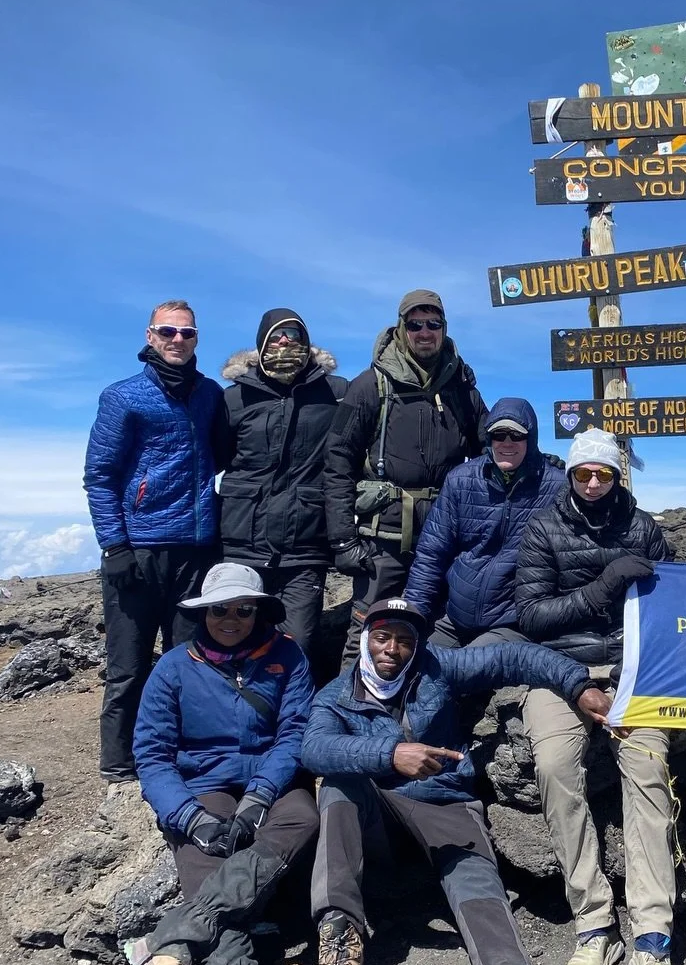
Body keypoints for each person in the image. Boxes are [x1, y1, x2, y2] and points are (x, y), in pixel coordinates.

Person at [302, 597, 608, 965]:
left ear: (417, 645)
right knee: (339, 786)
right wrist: (392, 754)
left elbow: (513, 657)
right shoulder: (336, 695)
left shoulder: (437, 667)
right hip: (377, 817)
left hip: (442, 801)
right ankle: (339, 953)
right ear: (364, 640)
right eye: (381, 637)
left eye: (404, 640)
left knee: (474, 879)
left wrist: (579, 684)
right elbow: (314, 748)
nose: (392, 649)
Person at [514, 428, 681, 965]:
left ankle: (652, 935)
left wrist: (644, 672)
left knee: (649, 774)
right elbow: (532, 617)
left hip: (635, 672)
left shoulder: (642, 528)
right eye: (583, 473)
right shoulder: (542, 528)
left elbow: (673, 605)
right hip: (560, 671)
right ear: (570, 475)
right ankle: (593, 923)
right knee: (556, 768)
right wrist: (601, 589)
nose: (591, 483)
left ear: (616, 477)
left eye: (602, 474)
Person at [126, 563, 319, 965]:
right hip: (202, 783)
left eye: (243, 610)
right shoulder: (173, 668)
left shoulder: (288, 656)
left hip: (272, 775)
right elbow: (152, 756)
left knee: (302, 817)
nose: (230, 619)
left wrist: (260, 795)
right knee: (205, 862)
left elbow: (294, 732)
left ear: (259, 613)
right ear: (203, 614)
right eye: (219, 610)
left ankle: (172, 937)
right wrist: (190, 818)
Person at [84, 299, 223, 783]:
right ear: (150, 335)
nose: (177, 340)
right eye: (168, 331)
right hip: (138, 551)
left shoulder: (209, 394)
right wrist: (114, 546)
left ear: (197, 338)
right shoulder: (123, 396)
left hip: (196, 550)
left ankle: (175, 755)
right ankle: (119, 762)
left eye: (187, 332)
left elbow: (222, 454)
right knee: (129, 664)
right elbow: (99, 476)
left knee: (188, 661)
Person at [323, 289, 487, 653]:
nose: (424, 332)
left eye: (434, 323)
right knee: (368, 632)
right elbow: (337, 461)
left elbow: (491, 450)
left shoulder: (462, 389)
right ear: (401, 328)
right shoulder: (370, 385)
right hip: (382, 540)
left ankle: (419, 707)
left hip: (443, 538)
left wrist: (542, 464)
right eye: (415, 324)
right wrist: (342, 540)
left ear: (444, 329)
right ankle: (350, 708)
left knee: (434, 630)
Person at [216, 308, 348, 687]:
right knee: (239, 641)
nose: (285, 341)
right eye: (276, 336)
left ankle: (294, 731)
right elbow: (215, 458)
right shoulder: (234, 399)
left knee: (299, 646)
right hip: (243, 542)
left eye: (293, 334)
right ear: (261, 343)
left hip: (304, 545)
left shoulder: (335, 393)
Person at [404, 398, 565, 648]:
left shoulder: (556, 486)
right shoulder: (461, 479)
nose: (507, 442)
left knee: (459, 671)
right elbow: (431, 554)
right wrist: (413, 616)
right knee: (408, 660)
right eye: (499, 434)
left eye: (517, 435)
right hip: (454, 618)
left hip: (512, 622)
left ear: (531, 439)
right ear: (489, 438)